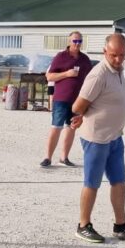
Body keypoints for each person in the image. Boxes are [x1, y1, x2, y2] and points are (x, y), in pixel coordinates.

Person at [69, 33, 125, 243]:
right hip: (96, 138)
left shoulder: (119, 70)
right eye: (114, 55)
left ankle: (120, 223)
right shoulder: (98, 75)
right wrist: (82, 117)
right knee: (92, 183)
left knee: (119, 181)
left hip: (114, 137)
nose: (119, 59)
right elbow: (77, 106)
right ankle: (83, 225)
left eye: (122, 55)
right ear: (105, 52)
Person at [41, 31, 91, 167]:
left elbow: (90, 79)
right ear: (69, 42)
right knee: (56, 127)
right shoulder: (61, 56)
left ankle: (64, 157)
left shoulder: (85, 60)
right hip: (61, 98)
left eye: (80, 41)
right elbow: (49, 76)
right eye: (75, 41)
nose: (77, 44)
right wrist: (67, 74)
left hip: (77, 100)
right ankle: (48, 157)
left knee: (71, 128)